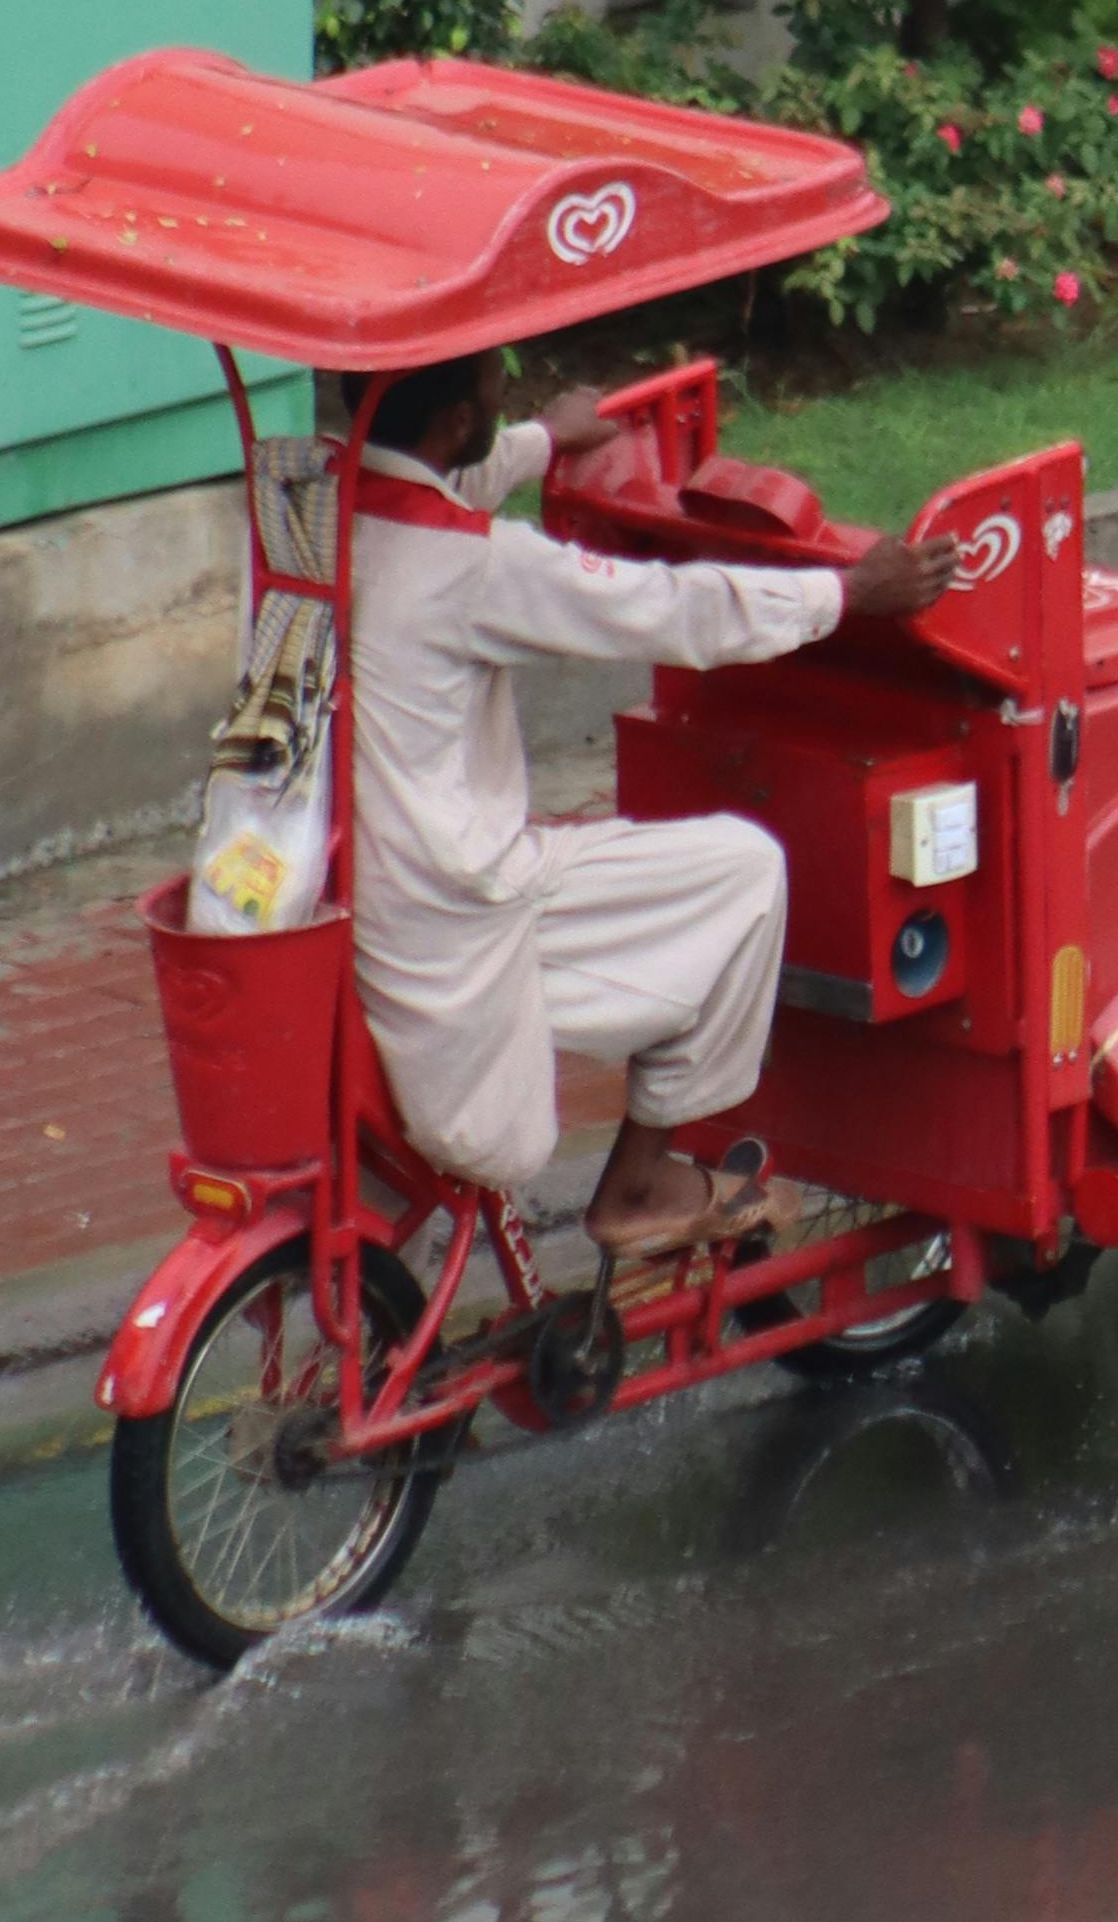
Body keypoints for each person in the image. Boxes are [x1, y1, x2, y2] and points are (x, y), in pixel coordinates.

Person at [342, 343, 959, 1261]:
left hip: (359, 902)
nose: (502, 399)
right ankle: (639, 1182)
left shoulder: (311, 515)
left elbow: (442, 488)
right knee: (746, 870)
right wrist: (847, 592)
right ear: (460, 422)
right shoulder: (475, 566)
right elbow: (666, 609)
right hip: (463, 917)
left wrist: (543, 441)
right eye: (492, 392)